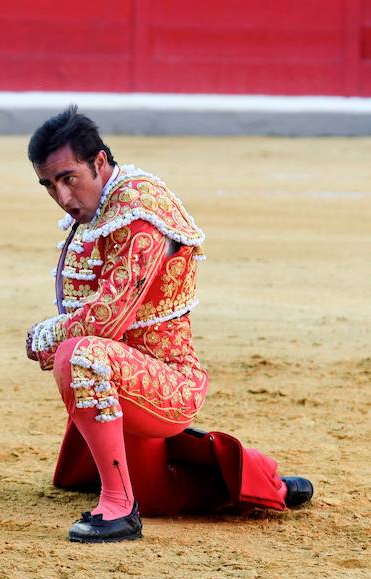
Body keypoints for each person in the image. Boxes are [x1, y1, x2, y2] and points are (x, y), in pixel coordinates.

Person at [25, 106, 314, 543]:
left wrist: (47, 335)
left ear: (100, 163)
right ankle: (263, 483)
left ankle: (119, 511)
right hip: (128, 374)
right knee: (159, 495)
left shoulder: (139, 211)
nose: (63, 196)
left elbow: (108, 319)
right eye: (49, 185)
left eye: (69, 178)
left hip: (169, 382)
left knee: (79, 354)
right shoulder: (103, 205)